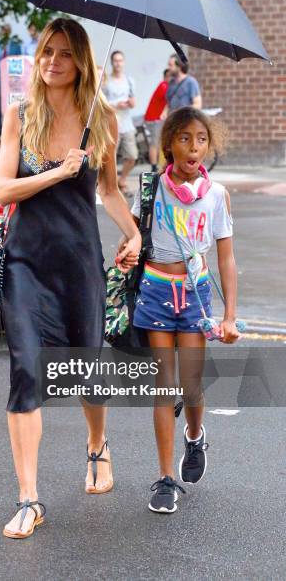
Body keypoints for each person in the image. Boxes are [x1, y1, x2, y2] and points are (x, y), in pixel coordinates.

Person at [0, 18, 141, 538]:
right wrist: (57, 171)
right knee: (27, 372)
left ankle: (97, 445)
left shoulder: (101, 120)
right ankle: (29, 498)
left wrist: (135, 234)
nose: (51, 62)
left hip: (78, 263)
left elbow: (110, 192)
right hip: (26, 265)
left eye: (63, 53)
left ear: (81, 61)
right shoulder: (21, 115)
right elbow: (4, 192)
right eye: (45, 52)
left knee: (85, 366)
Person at [129, 107, 240, 513]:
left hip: (194, 296)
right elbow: (134, 238)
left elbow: (226, 260)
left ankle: (194, 436)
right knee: (165, 384)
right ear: (168, 144)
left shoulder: (216, 195)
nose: (194, 148)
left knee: (191, 385)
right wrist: (127, 249)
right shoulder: (149, 188)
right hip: (157, 290)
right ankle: (164, 478)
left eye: (201, 139)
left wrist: (229, 315)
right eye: (184, 139)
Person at [103, 50, 138, 196]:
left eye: (120, 60)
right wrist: (118, 105)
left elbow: (133, 102)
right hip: (112, 123)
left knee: (132, 156)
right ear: (112, 63)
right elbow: (102, 104)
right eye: (115, 60)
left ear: (123, 62)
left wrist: (129, 103)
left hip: (127, 123)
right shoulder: (106, 82)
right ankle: (112, 184)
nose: (118, 63)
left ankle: (122, 180)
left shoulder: (129, 80)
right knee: (111, 156)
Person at [144, 68, 170, 172]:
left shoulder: (166, 86)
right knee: (155, 143)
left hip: (157, 118)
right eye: (169, 76)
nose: (171, 78)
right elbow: (170, 99)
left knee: (159, 142)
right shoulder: (164, 86)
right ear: (165, 77)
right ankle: (154, 167)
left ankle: (158, 166)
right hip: (154, 119)